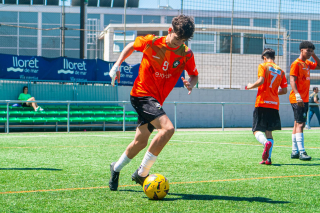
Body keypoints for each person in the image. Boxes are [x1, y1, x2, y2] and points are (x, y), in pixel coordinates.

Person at [108, 15, 198, 191]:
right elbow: (131, 46)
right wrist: (117, 65)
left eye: (183, 40)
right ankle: (142, 173)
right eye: (177, 38)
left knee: (140, 142)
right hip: (141, 95)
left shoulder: (186, 54)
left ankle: (116, 168)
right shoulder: (151, 42)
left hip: (155, 101)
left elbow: (194, 74)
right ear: (170, 30)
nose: (179, 43)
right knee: (168, 129)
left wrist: (191, 83)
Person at [246, 48, 287, 165]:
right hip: (274, 105)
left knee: (256, 130)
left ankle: (265, 143)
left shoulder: (263, 66)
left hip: (262, 102)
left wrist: (250, 86)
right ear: (274, 57)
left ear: (264, 57)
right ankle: (268, 159)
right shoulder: (281, 71)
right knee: (269, 132)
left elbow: (261, 80)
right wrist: (274, 92)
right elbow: (284, 90)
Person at [290, 41, 320, 161]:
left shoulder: (307, 63)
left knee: (297, 123)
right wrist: (297, 95)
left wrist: (313, 55)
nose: (310, 52)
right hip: (298, 99)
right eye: (308, 50)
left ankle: (294, 151)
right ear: (301, 50)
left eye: (311, 51)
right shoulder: (296, 63)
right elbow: (292, 80)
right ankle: (302, 152)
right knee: (301, 124)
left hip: (304, 99)